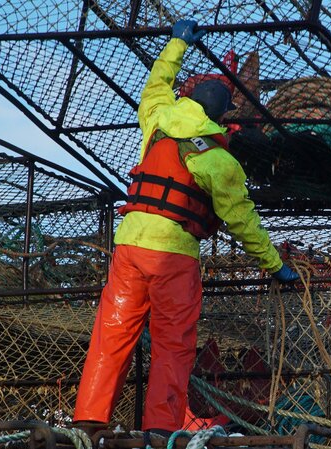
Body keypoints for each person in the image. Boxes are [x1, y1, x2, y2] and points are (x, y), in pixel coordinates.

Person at [73, 20, 299, 436]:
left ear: (191, 98)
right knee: (172, 345)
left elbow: (157, 83)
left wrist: (176, 43)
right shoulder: (218, 159)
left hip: (129, 247)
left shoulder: (157, 120)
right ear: (221, 116)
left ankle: (88, 420)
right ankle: (160, 430)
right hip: (173, 255)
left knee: (112, 333)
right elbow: (242, 220)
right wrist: (274, 265)